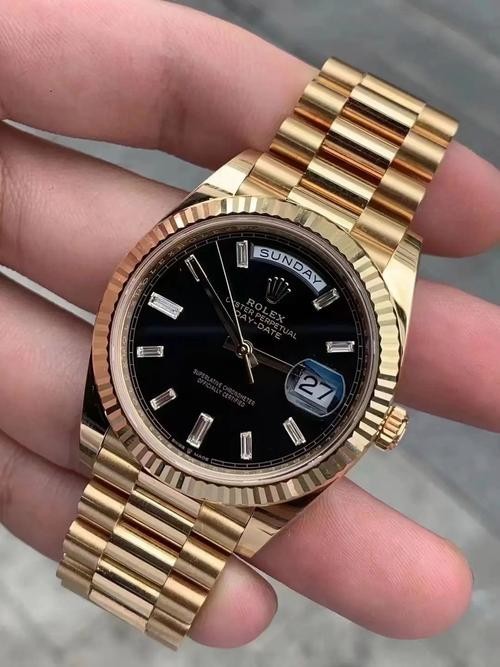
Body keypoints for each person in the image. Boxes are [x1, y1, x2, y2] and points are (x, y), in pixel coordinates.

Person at [0, 0, 499, 649]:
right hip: (160, 417)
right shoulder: (226, 212)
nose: (247, 348)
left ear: (375, 419)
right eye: (245, 343)